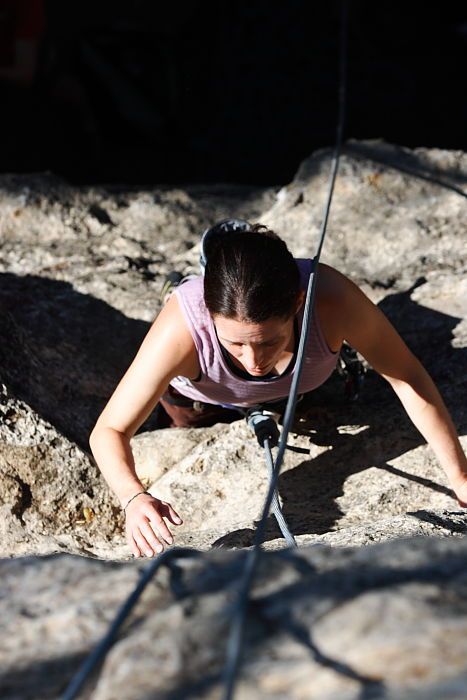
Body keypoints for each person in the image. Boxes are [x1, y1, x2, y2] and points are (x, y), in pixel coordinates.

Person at [89, 220, 467, 558]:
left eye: (269, 340)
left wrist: (460, 476)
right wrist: (133, 497)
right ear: (209, 312)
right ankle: (184, 279)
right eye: (235, 343)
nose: (253, 360)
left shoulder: (329, 296)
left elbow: (406, 375)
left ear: (298, 301)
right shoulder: (183, 325)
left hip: (304, 389)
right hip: (202, 401)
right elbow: (109, 430)